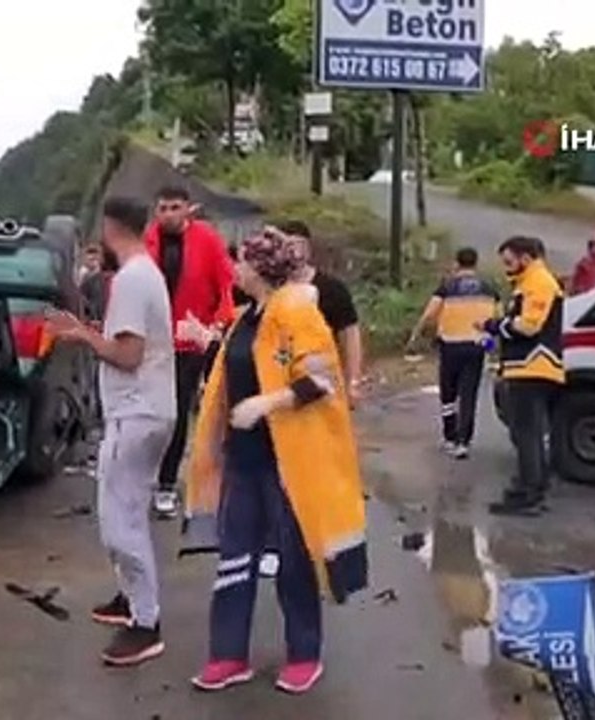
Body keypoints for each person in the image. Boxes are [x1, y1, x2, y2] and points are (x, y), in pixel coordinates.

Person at [182, 227, 368, 695]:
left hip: (287, 462)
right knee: (234, 557)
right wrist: (206, 340)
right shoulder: (248, 317)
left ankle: (304, 653)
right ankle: (227, 654)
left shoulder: (296, 311)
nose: (234, 269)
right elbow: (239, 368)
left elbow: (322, 379)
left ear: (261, 269)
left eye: (240, 262)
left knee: (294, 559)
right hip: (243, 460)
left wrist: (266, 404)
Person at [46, 196, 177, 667]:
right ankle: (130, 600)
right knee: (130, 509)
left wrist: (82, 336)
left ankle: (146, 622)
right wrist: (91, 330)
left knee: (120, 522)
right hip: (150, 409)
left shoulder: (131, 280)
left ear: (109, 226)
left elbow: (127, 355)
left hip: (136, 413)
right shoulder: (146, 273)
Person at [143, 185, 236, 519]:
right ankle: (145, 477)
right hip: (153, 341)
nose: (168, 214)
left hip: (191, 338)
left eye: (174, 207)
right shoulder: (148, 241)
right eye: (162, 208)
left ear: (188, 210)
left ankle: (167, 483)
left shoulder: (206, 239)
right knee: (150, 412)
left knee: (179, 409)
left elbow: (225, 284)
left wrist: (218, 324)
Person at [480, 236, 565, 517]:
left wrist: (495, 325)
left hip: (532, 367)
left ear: (525, 258)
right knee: (528, 432)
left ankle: (528, 494)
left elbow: (529, 327)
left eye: (509, 261)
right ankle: (533, 487)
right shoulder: (530, 282)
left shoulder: (538, 282)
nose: (506, 268)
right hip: (531, 367)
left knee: (525, 432)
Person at [408, 247, 501, 459]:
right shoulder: (489, 288)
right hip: (478, 346)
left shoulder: (447, 287)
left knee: (448, 393)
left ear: (456, 263)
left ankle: (450, 436)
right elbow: (499, 318)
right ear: (475, 264)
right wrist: (492, 346)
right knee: (469, 394)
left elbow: (430, 314)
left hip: (450, 346)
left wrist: (416, 335)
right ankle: (463, 441)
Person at [278, 220, 364, 406]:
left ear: (309, 248)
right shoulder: (272, 289)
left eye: (300, 245)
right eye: (289, 246)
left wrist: (353, 381)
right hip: (280, 379)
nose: (295, 253)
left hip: (323, 377)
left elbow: (349, 335)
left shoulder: (332, 289)